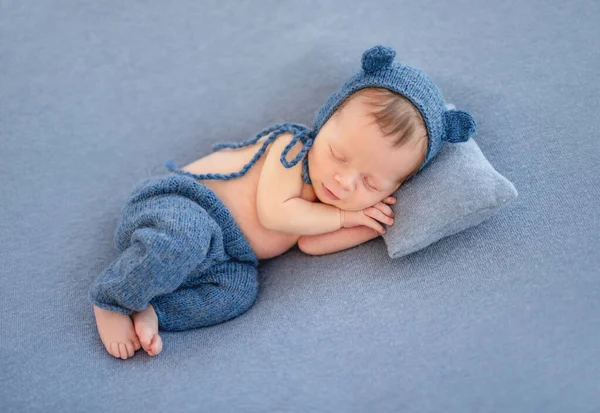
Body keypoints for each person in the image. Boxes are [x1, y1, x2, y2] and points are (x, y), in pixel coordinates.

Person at [89, 45, 476, 359]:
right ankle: (112, 298)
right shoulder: (288, 149)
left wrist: (365, 225)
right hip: (183, 207)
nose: (344, 182)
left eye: (371, 182)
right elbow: (275, 214)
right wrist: (343, 216)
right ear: (323, 123)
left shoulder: (337, 206)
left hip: (229, 256)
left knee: (239, 293)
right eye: (339, 155)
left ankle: (154, 309)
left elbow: (310, 243)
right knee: (183, 239)